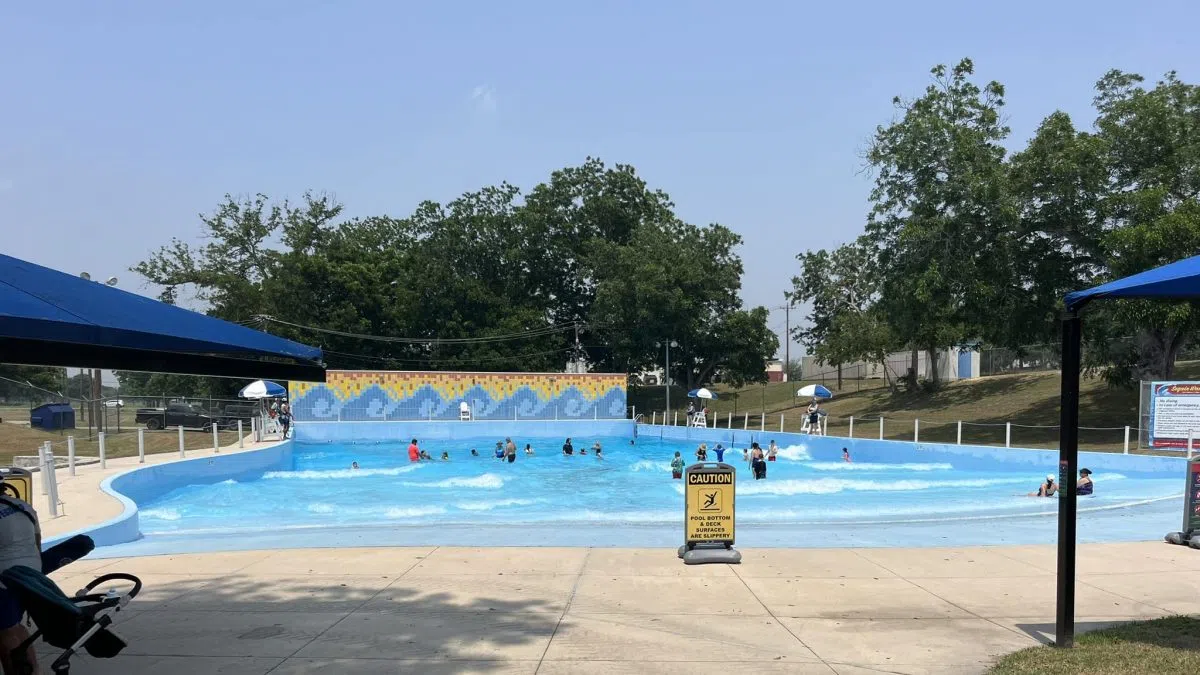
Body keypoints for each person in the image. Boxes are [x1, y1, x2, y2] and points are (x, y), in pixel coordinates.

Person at [0, 493, 44, 675]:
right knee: (16, 625)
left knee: (5, 630)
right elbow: (37, 542)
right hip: (30, 574)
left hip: (4, 579)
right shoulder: (22, 505)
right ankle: (34, 671)